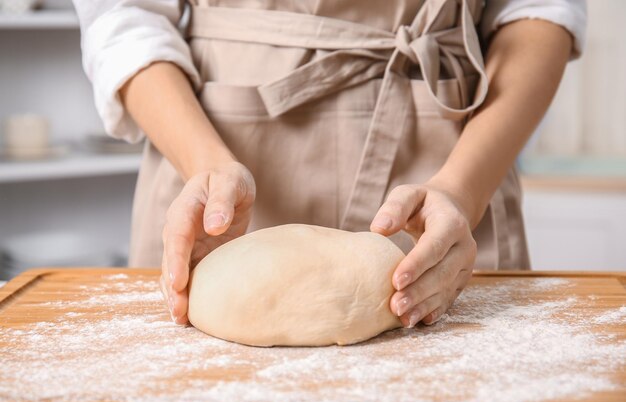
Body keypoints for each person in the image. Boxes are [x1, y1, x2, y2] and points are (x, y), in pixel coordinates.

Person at [74, 0, 586, 328]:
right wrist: (204, 162)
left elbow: (540, 9)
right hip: (212, 145)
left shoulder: (459, 187)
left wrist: (461, 190)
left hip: (454, 153)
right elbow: (123, 15)